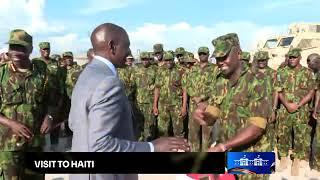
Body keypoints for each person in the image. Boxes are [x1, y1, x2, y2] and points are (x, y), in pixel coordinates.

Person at [69, 23, 190, 180]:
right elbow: (101, 146)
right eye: (127, 46)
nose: (129, 52)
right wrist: (152, 147)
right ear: (112, 46)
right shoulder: (107, 82)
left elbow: (74, 123)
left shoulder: (87, 75)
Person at [0, 29, 53, 180]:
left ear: (30, 49)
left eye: (20, 47)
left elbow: (53, 99)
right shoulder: (1, 74)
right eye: (12, 47)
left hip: (35, 142)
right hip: (8, 145)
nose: (15, 52)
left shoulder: (42, 72)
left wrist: (49, 115)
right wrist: (11, 123)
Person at [275, 48, 315, 176]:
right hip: (285, 109)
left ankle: (297, 160)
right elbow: (278, 90)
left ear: (299, 58)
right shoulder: (281, 72)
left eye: (294, 57)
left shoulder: (307, 73)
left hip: (301, 110)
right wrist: (287, 104)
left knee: (300, 135)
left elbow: (311, 91)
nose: (292, 59)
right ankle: (283, 158)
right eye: (290, 57)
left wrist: (298, 104)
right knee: (283, 134)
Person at [32, 42, 64, 152]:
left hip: (53, 97)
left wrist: (61, 94)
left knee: (54, 122)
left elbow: (60, 79)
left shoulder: (55, 63)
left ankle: (54, 147)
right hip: (40, 98)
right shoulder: (35, 62)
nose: (46, 51)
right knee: (39, 123)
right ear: (40, 50)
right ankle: (40, 148)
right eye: (44, 49)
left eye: (48, 49)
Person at [186, 46, 219, 152]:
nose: (202, 56)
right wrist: (193, 96)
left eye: (204, 54)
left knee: (207, 135)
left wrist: (202, 97)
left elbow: (215, 85)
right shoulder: (193, 69)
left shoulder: (214, 69)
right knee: (193, 134)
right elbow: (187, 84)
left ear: (208, 55)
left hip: (207, 105)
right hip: (193, 106)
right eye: (200, 54)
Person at [153, 51, 187, 137]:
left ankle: (179, 149)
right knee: (162, 131)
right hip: (163, 105)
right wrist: (155, 105)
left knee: (178, 131)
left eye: (170, 60)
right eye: (166, 60)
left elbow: (184, 90)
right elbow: (157, 88)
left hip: (176, 105)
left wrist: (183, 107)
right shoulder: (160, 71)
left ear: (173, 60)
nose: (168, 62)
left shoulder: (180, 70)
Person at [132, 52, 157, 141]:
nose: (145, 61)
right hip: (139, 102)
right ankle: (141, 142)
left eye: (146, 59)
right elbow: (133, 85)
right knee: (139, 123)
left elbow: (157, 86)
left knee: (150, 124)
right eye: (143, 59)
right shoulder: (136, 70)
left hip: (149, 102)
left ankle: (150, 142)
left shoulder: (154, 69)